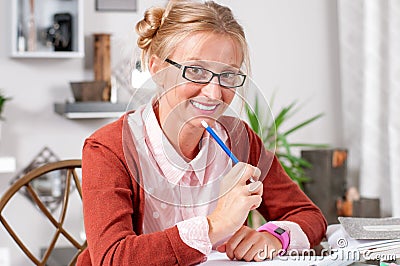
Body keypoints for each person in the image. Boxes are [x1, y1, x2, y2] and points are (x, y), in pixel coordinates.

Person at [77, 0, 327, 265]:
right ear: (157, 68)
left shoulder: (239, 140)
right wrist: (215, 226)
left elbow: (308, 216)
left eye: (228, 75)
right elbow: (112, 257)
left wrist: (274, 237)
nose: (214, 93)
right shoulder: (108, 148)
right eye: (195, 71)